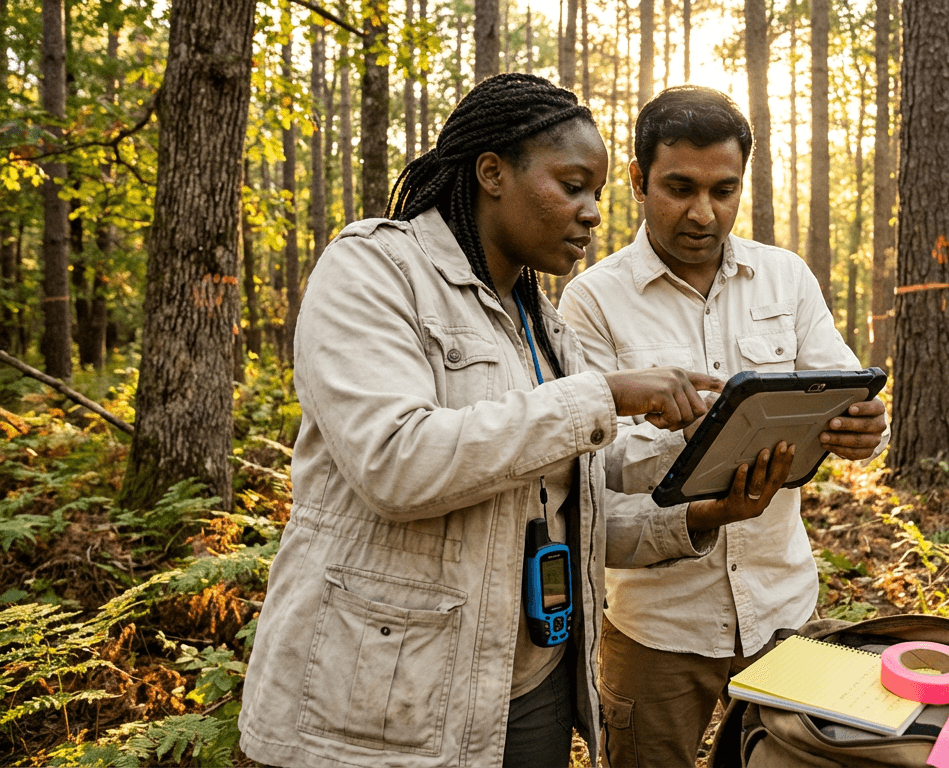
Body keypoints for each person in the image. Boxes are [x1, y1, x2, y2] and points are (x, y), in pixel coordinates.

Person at [237, 74, 794, 768]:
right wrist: (606, 394)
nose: (593, 212)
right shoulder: (375, 270)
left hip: (529, 680)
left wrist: (699, 511)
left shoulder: (544, 326)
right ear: (492, 174)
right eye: (571, 185)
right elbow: (396, 463)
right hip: (379, 699)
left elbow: (570, 508)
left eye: (595, 192)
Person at [560, 85, 890, 767]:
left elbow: (838, 390)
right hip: (658, 622)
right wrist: (687, 439)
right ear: (636, 179)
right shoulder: (590, 300)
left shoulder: (786, 279)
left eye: (724, 189)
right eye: (678, 187)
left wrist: (866, 428)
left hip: (784, 605)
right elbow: (591, 466)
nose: (702, 213)